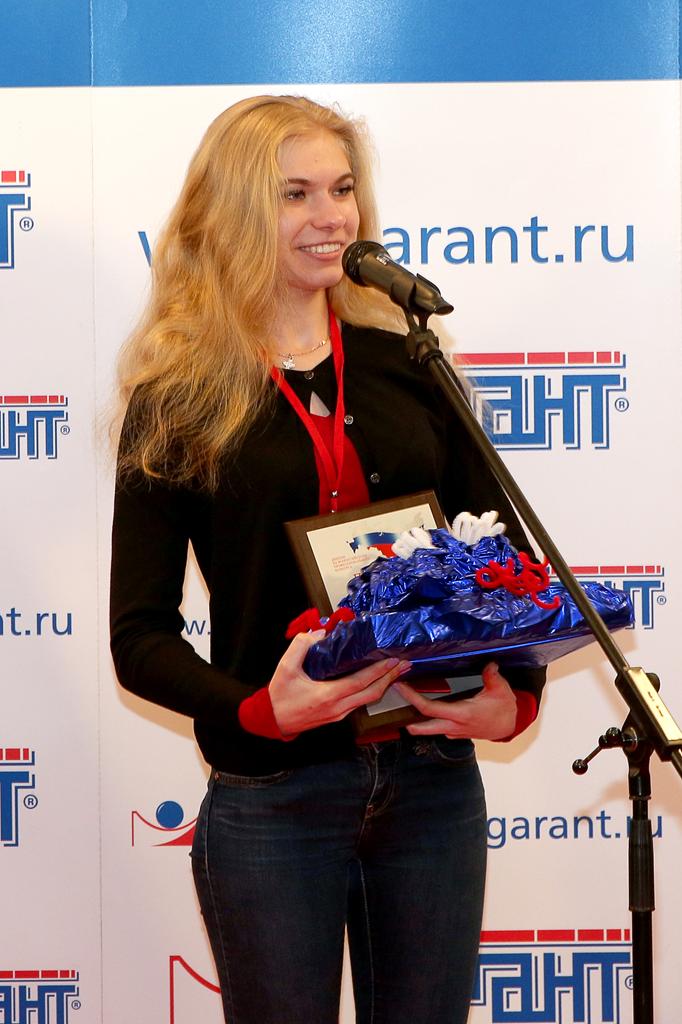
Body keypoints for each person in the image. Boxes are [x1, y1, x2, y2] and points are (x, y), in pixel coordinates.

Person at [110, 94, 546, 1024]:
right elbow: (137, 636)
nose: (332, 216)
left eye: (342, 190)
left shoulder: (409, 364)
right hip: (275, 799)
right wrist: (258, 711)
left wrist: (518, 695)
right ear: (235, 211)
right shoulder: (178, 397)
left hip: (432, 784)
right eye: (295, 193)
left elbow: (506, 562)